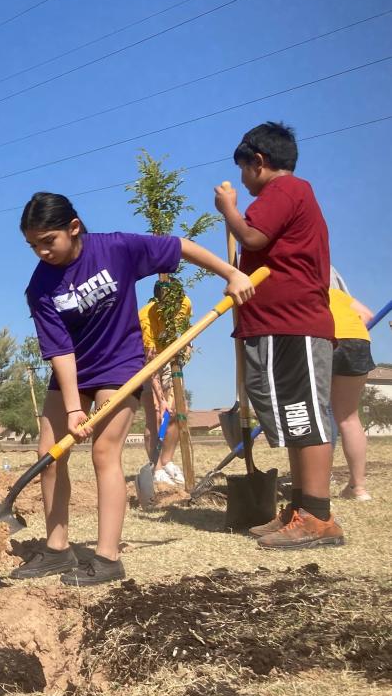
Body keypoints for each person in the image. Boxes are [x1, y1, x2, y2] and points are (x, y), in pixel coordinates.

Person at [15, 192, 252, 586]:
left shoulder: (117, 248)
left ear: (74, 228)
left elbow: (180, 247)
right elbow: (59, 350)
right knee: (49, 454)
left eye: (48, 241)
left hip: (118, 365)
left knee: (104, 452)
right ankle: (57, 548)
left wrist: (231, 273)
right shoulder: (40, 287)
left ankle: (108, 558)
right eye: (33, 245)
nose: (41, 251)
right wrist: (74, 409)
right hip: (72, 369)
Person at [215, 122, 340, 548]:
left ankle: (318, 516)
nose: (244, 182)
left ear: (259, 162)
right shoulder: (288, 195)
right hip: (275, 323)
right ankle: (300, 507)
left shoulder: (285, 190)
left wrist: (228, 208)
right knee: (291, 417)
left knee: (305, 413)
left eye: (244, 171)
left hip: (293, 323)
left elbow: (251, 234)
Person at [135, 281, 193, 494]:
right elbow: (150, 362)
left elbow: (186, 329)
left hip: (171, 356)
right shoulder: (146, 317)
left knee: (179, 412)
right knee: (156, 414)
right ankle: (156, 467)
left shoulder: (185, 303)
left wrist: (187, 347)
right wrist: (160, 399)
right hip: (144, 360)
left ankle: (167, 461)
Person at [328, 275, 375, 501]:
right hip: (357, 338)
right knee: (349, 417)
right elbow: (367, 315)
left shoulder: (305, 291)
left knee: (318, 412)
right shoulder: (339, 294)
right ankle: (358, 488)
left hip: (324, 338)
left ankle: (316, 482)